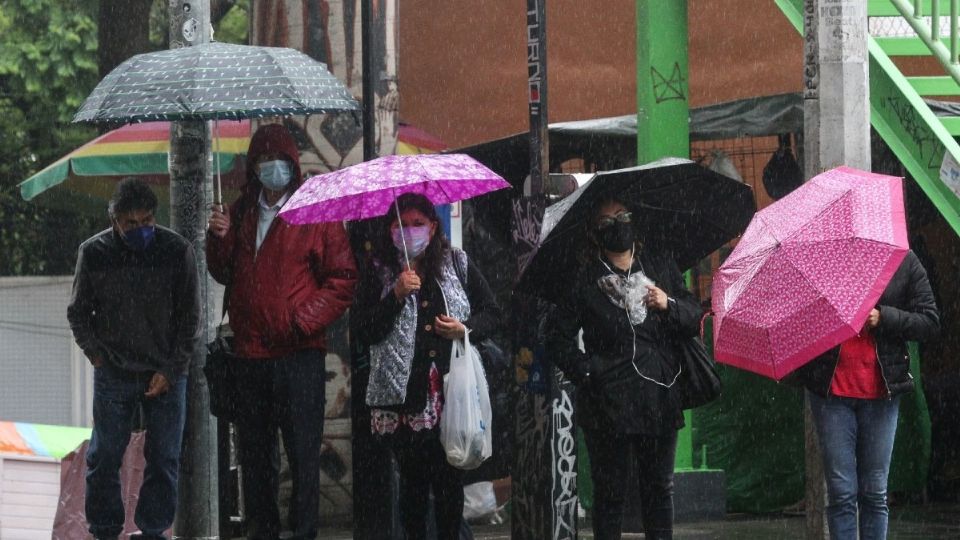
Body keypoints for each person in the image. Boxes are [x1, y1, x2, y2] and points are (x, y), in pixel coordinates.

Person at [206, 123, 358, 540]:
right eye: (265, 161)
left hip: (298, 357)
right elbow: (224, 271)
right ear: (254, 167)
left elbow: (342, 279)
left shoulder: (317, 212)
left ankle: (303, 532)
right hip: (250, 358)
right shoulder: (240, 212)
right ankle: (262, 532)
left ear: (293, 165)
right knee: (256, 460)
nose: (274, 169)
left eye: (281, 161)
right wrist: (217, 239)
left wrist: (299, 321)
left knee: (303, 456)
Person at [546, 197, 702, 540]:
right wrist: (588, 372)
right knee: (611, 493)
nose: (618, 224)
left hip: (658, 395)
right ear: (593, 233)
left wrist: (668, 304)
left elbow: (692, 317)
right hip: (607, 402)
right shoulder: (586, 279)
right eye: (607, 221)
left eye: (623, 216)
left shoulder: (659, 265)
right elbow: (555, 337)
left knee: (659, 489)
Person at [353, 193, 500, 540]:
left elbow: (493, 311)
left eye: (418, 224)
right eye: (401, 225)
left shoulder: (456, 263)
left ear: (433, 227)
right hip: (404, 398)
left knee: (450, 483)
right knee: (414, 488)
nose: (410, 231)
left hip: (451, 393)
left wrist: (465, 330)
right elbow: (364, 331)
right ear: (389, 230)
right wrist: (396, 296)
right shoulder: (378, 272)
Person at [67, 178, 201, 540]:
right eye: (131, 223)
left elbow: (191, 319)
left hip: (167, 370)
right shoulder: (93, 253)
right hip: (114, 370)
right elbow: (78, 313)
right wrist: (96, 355)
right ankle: (105, 530)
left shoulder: (177, 251)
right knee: (105, 456)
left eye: (147, 221)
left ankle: (154, 531)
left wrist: (171, 371)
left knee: (164, 457)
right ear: (115, 221)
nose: (141, 229)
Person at [790, 250, 940, 540]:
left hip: (881, 392)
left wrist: (883, 317)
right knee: (842, 491)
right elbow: (799, 318)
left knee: (874, 491)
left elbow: (930, 322)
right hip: (831, 391)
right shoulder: (824, 261)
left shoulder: (903, 261)